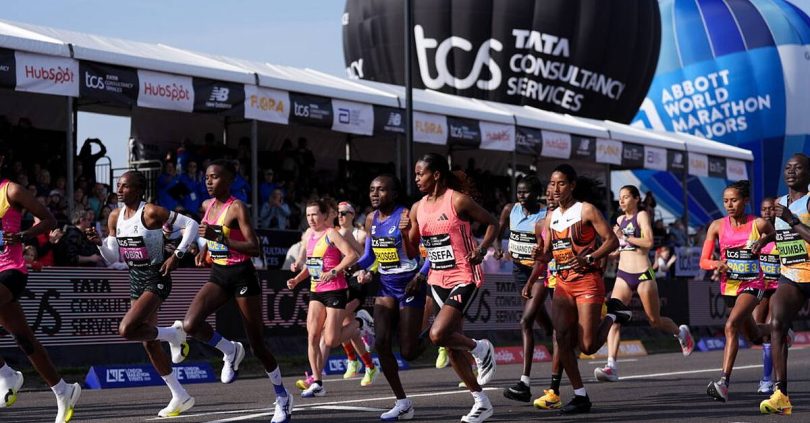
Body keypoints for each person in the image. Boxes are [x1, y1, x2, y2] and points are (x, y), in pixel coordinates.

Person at [181, 159, 292, 423]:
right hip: (219, 274)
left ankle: (282, 396)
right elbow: (207, 235)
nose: (209, 181)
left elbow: (254, 247)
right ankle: (229, 350)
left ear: (229, 180)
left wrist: (220, 238)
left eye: (215, 177)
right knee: (190, 324)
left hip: (242, 275)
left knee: (257, 345)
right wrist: (204, 250)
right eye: (206, 177)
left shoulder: (237, 207)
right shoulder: (207, 206)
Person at [85, 171, 198, 417]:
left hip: (157, 276)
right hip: (135, 278)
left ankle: (174, 335)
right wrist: (99, 243)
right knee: (148, 342)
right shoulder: (115, 216)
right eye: (118, 186)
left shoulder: (151, 212)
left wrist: (177, 255)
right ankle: (180, 395)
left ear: (138, 189)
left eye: (125, 186)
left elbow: (192, 225)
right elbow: (113, 257)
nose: (119, 190)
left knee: (126, 329)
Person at [408, 153, 499, 423]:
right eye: (415, 174)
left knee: (438, 334)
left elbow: (493, 223)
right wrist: (406, 231)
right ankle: (481, 403)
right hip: (437, 279)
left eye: (420, 173)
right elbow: (414, 248)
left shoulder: (457, 200)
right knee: (450, 345)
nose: (416, 179)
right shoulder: (417, 208)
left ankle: (481, 348)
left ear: (435, 174)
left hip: (464, 274)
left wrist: (482, 249)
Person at [0, 141, 81, 422]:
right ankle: (63, 390)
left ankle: (6, 374)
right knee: (24, 339)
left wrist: (22, 236)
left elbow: (49, 219)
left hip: (11, 271)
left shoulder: (11, 190)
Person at [539, 164, 625, 414]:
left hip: (587, 281)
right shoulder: (551, 216)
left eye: (561, 184)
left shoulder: (586, 210)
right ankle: (580, 395)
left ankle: (613, 315)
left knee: (587, 346)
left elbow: (612, 241)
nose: (555, 189)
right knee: (562, 339)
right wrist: (539, 255)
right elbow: (548, 254)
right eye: (553, 184)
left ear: (572, 185)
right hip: (563, 283)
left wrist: (589, 258)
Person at [594, 185, 694, 383]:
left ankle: (680, 332)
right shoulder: (619, 220)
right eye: (620, 198)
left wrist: (625, 237)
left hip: (643, 273)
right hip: (623, 274)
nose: (621, 201)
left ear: (636, 199)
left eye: (625, 197)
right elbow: (621, 249)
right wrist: (608, 253)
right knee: (613, 318)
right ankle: (611, 366)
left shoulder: (641, 216)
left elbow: (648, 242)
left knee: (654, 321)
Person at [354, 174, 425, 420]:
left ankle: (438, 330)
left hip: (409, 284)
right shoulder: (371, 218)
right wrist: (349, 268)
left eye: (381, 190)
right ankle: (402, 402)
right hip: (386, 285)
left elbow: (420, 254)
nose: (375, 194)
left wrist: (406, 235)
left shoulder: (406, 215)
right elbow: (369, 256)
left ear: (394, 193)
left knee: (408, 351)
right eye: (372, 189)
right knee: (381, 343)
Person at [700, 180, 772, 402]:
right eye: (726, 201)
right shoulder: (717, 226)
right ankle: (779, 329)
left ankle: (724, 382)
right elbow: (703, 260)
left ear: (745, 201)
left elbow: (776, 235)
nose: (729, 205)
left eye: (734, 200)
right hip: (729, 286)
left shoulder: (758, 224)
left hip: (753, 283)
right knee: (753, 334)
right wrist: (716, 264)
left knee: (731, 326)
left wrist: (763, 242)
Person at [286, 199, 359, 398]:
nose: (311, 219)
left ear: (325, 215)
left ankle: (359, 323)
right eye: (308, 215)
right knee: (312, 335)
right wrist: (297, 279)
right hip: (316, 290)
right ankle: (317, 382)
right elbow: (312, 265)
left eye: (315, 214)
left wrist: (335, 270)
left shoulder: (331, 233)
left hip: (335, 290)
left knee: (331, 339)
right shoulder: (309, 236)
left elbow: (352, 255)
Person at [760, 154, 810, 415]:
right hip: (792, 273)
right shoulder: (780, 203)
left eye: (798, 168)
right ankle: (781, 394)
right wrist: (764, 240)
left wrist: (793, 219)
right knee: (777, 324)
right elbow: (781, 231)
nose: (791, 172)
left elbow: (796, 226)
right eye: (788, 168)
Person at [495, 176, 552, 403]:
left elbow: (547, 252)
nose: (521, 196)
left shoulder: (546, 215)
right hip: (519, 271)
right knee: (538, 318)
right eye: (518, 192)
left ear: (536, 193)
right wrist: (499, 248)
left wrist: (531, 280)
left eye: (526, 192)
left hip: (540, 273)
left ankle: (524, 382)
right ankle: (557, 336)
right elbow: (498, 231)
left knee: (525, 321)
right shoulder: (511, 209)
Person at [335, 201, 378, 386]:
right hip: (341, 282)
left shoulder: (359, 234)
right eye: (338, 213)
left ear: (353, 214)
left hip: (357, 281)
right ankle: (366, 364)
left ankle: (363, 322)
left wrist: (364, 270)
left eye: (345, 212)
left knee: (340, 321)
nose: (341, 216)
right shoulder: (335, 233)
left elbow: (370, 257)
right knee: (346, 326)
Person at [531, 183, 563, 410]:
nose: (551, 197)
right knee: (559, 335)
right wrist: (532, 279)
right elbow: (543, 257)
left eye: (555, 193)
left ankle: (609, 313)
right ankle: (555, 391)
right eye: (548, 194)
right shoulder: (540, 224)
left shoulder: (576, 217)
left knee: (586, 343)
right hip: (554, 280)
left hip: (578, 280)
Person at [755, 197, 779, 395]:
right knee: (756, 328)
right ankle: (784, 330)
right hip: (762, 287)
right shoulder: (755, 232)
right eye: (764, 209)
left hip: (781, 288)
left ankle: (766, 379)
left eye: (771, 208)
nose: (767, 212)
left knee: (770, 331)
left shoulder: (783, 232)